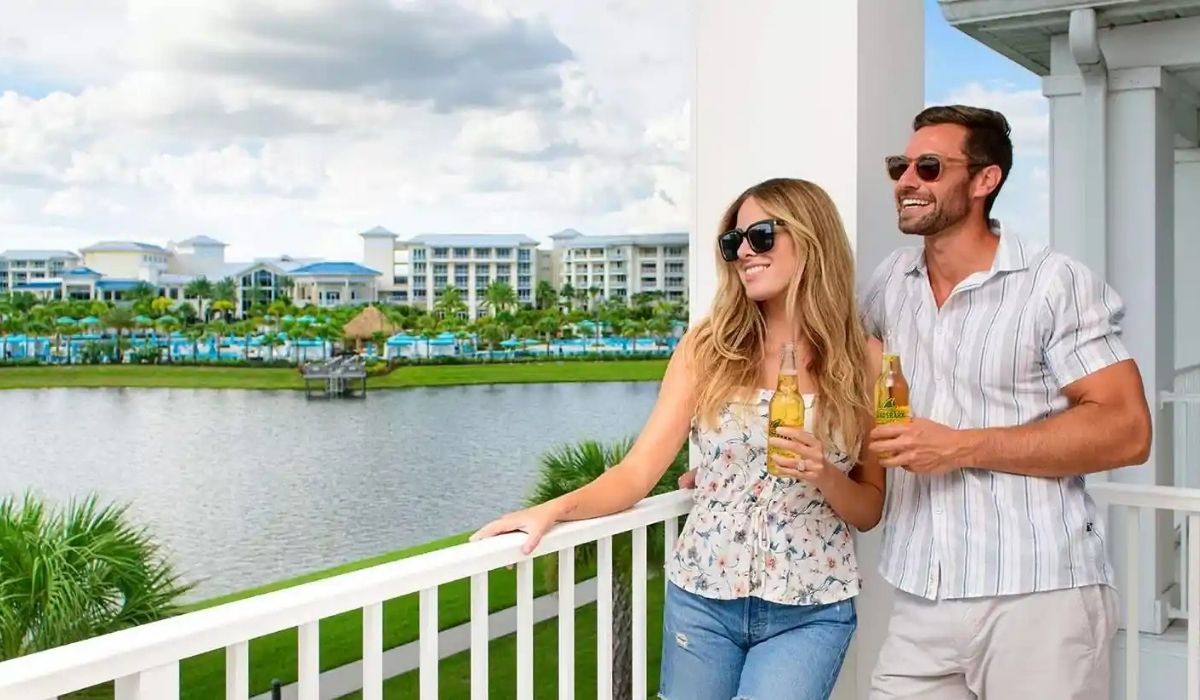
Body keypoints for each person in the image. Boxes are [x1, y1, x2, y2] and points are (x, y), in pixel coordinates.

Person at [472, 177, 886, 700]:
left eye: (761, 236)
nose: (744, 253)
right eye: (732, 242)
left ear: (812, 237)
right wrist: (552, 510)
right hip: (702, 601)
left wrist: (824, 473)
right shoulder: (707, 348)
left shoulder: (865, 362)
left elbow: (870, 507)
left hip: (810, 609)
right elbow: (638, 471)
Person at [861, 104, 1153, 699]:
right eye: (901, 166)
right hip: (921, 595)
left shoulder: (1054, 283)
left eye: (929, 166)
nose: (906, 181)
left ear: (984, 180)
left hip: (1038, 597)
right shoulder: (890, 283)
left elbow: (1127, 429)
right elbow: (839, 371)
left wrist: (961, 446)